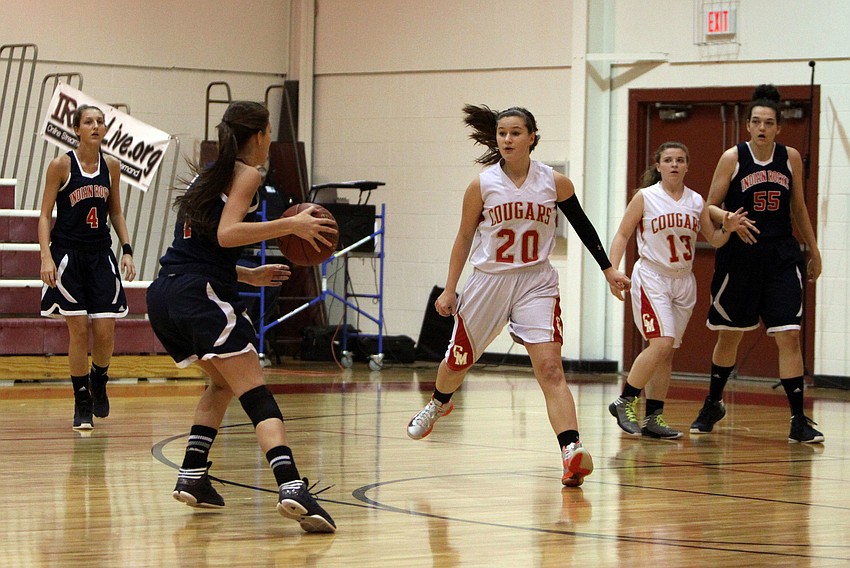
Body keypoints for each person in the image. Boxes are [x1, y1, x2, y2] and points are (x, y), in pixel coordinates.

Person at [405, 104, 630, 487]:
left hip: (535, 282)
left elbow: (583, 226)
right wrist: (449, 287)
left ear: (532, 138)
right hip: (488, 281)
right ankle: (439, 402)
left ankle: (571, 451)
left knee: (550, 369)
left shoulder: (554, 182)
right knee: (457, 362)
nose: (507, 139)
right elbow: (464, 237)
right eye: (502, 133)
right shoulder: (482, 184)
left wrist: (608, 268)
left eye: (514, 133)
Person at [146, 101, 338, 532]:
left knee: (220, 383)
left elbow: (201, 248)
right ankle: (291, 486)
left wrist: (248, 273)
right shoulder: (247, 174)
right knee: (255, 392)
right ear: (262, 134)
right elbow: (227, 234)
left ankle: (193, 475)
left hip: (168, 293)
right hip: (199, 295)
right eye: (270, 132)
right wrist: (291, 227)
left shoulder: (207, 175)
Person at [690, 84, 825, 444]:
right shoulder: (733, 157)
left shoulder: (790, 157)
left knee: (789, 336)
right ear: (748, 126)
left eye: (769, 122)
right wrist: (728, 219)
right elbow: (709, 205)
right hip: (741, 255)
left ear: (779, 127)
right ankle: (713, 402)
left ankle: (798, 419)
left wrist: (813, 248)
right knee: (730, 335)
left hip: (781, 253)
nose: (762, 127)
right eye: (756, 122)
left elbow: (798, 207)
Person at [606, 142, 745, 439]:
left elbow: (715, 240)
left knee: (666, 353)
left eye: (680, 160)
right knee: (661, 343)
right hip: (652, 277)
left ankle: (653, 418)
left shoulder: (696, 201)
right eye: (668, 160)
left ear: (687, 166)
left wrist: (728, 228)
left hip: (683, 281)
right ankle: (624, 400)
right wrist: (614, 270)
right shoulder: (645, 197)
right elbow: (622, 234)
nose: (674, 165)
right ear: (658, 165)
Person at [39, 104, 136, 431]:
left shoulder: (112, 166)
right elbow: (44, 215)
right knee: (79, 331)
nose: (95, 126)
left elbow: (116, 212)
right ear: (76, 129)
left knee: (105, 332)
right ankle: (82, 400)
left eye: (100, 122)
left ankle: (100, 379)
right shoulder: (60, 165)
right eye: (89, 122)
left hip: (100, 256)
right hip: (68, 256)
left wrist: (127, 249)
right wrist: (45, 257)